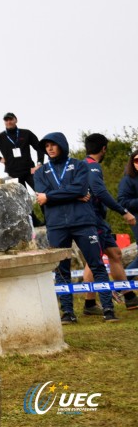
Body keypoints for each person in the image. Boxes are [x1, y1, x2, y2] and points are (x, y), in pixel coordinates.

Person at [34, 132, 117, 323]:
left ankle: (108, 309)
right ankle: (68, 313)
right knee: (61, 270)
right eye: (46, 146)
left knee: (97, 265)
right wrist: (70, 194)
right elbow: (41, 196)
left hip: (83, 222)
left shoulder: (79, 165)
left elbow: (80, 189)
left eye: (53, 144)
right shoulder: (40, 172)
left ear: (62, 145)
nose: (50, 148)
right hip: (56, 226)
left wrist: (52, 196)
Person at [79, 134, 137, 313]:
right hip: (92, 217)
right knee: (93, 258)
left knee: (115, 254)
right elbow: (100, 191)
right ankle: (89, 303)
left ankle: (129, 296)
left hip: (96, 218)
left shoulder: (81, 164)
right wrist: (123, 211)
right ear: (103, 149)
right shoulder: (93, 166)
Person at [0, 112, 45, 225]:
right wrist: (0, 159)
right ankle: (34, 223)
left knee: (41, 192)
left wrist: (39, 164)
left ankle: (49, 219)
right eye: (6, 120)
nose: (8, 122)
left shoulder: (26, 133)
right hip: (13, 174)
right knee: (22, 200)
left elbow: (40, 148)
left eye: (10, 119)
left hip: (29, 170)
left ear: (16, 120)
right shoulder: (0, 137)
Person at [118, 148, 138, 279]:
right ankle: (119, 286)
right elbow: (122, 202)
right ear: (132, 162)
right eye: (137, 160)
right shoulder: (128, 180)